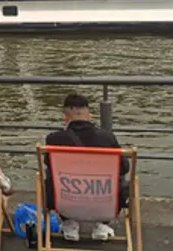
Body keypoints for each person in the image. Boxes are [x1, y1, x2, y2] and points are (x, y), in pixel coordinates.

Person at [44, 94, 130, 242]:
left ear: (65, 118)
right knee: (119, 177)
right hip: (103, 201)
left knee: (51, 175)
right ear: (89, 116)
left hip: (66, 200)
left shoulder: (54, 139)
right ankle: (102, 225)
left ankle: (69, 223)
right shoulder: (107, 138)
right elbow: (124, 168)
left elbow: (49, 165)